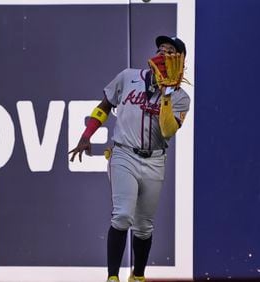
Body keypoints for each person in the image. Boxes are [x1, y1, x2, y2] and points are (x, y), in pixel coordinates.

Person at [68, 35, 190, 282]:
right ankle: (112, 277)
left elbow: (167, 131)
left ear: (180, 60)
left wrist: (166, 94)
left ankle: (138, 276)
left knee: (144, 226)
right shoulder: (129, 77)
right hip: (124, 153)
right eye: (160, 49)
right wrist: (86, 134)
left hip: (155, 160)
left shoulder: (181, 98)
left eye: (170, 51)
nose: (163, 53)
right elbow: (104, 105)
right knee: (122, 215)